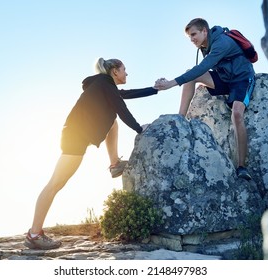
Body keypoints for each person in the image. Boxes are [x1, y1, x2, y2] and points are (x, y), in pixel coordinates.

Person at [24, 58, 159, 250]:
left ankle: (114, 164)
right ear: (114, 71)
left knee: (112, 123)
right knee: (55, 184)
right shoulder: (105, 83)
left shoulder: (102, 84)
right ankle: (34, 234)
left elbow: (123, 96)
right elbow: (121, 108)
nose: (126, 73)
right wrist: (139, 129)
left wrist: (155, 89)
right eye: (124, 69)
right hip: (75, 138)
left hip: (76, 134)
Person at [154, 18, 255, 181]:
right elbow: (196, 72)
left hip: (241, 79)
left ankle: (242, 167)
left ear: (204, 31)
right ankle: (180, 119)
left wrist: (171, 83)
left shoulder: (221, 42)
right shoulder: (204, 46)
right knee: (191, 76)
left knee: (237, 114)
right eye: (189, 37)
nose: (192, 39)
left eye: (194, 34)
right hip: (224, 79)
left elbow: (202, 67)